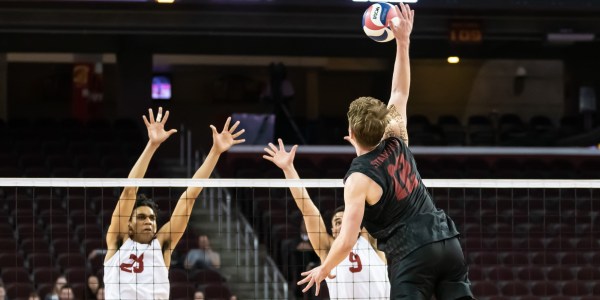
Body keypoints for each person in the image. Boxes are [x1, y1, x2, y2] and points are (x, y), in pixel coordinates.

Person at [298, 4, 474, 300]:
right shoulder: (396, 136)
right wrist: (403, 42)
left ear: (349, 135)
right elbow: (400, 93)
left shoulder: (358, 179)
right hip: (447, 240)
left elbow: (347, 239)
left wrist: (323, 267)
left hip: (411, 252)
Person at [104, 107, 245, 300]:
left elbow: (190, 197)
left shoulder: (162, 246)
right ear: (128, 223)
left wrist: (215, 152)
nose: (149, 221)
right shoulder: (118, 242)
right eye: (142, 217)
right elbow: (130, 190)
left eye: (152, 218)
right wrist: (152, 145)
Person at [263, 138, 390, 299]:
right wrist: (289, 169)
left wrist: (365, 151)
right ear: (332, 230)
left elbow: (374, 189)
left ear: (359, 225)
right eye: (337, 222)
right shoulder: (328, 249)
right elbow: (307, 208)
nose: (343, 224)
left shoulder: (371, 241)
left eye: (347, 219)